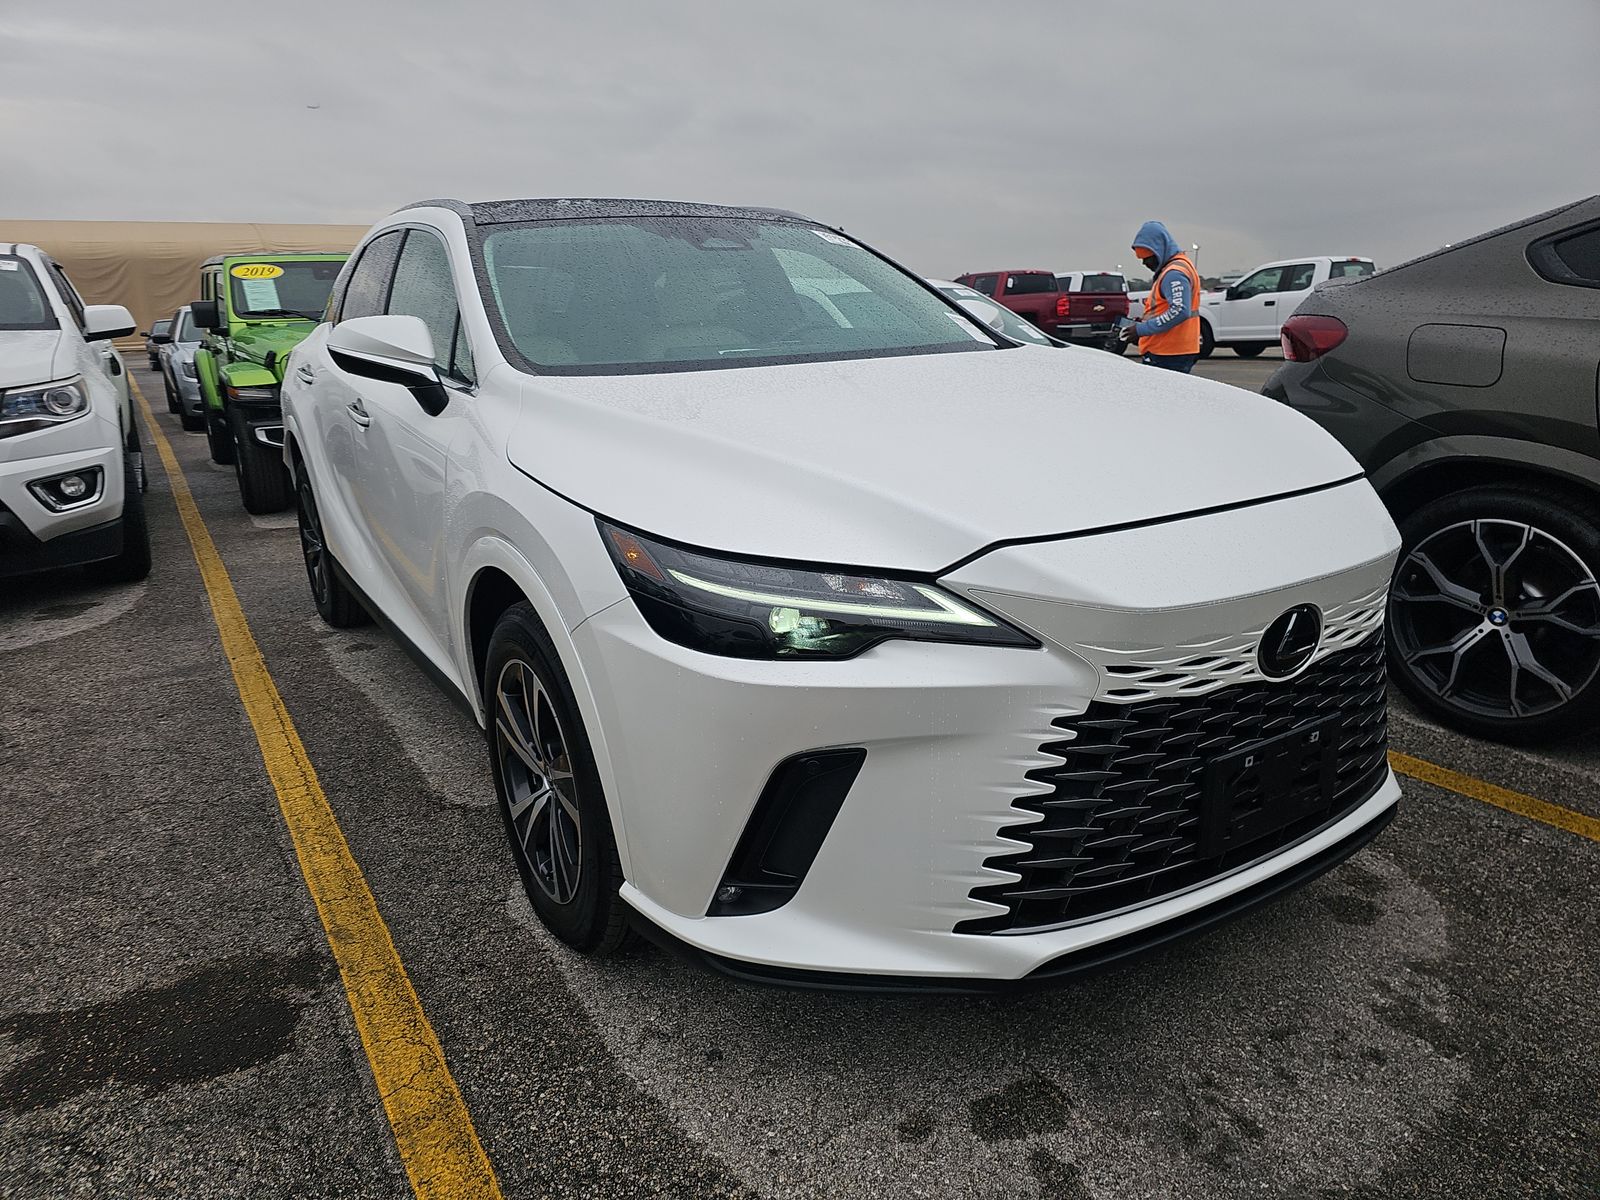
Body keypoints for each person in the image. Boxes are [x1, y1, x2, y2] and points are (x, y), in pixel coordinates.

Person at [1116, 221, 1202, 372]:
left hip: (1168, 353)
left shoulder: (1174, 274)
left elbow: (1180, 310)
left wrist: (1141, 329)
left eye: (1147, 258)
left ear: (1159, 251)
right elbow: (1165, 310)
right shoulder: (1178, 268)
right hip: (1174, 350)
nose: (1144, 263)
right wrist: (1141, 327)